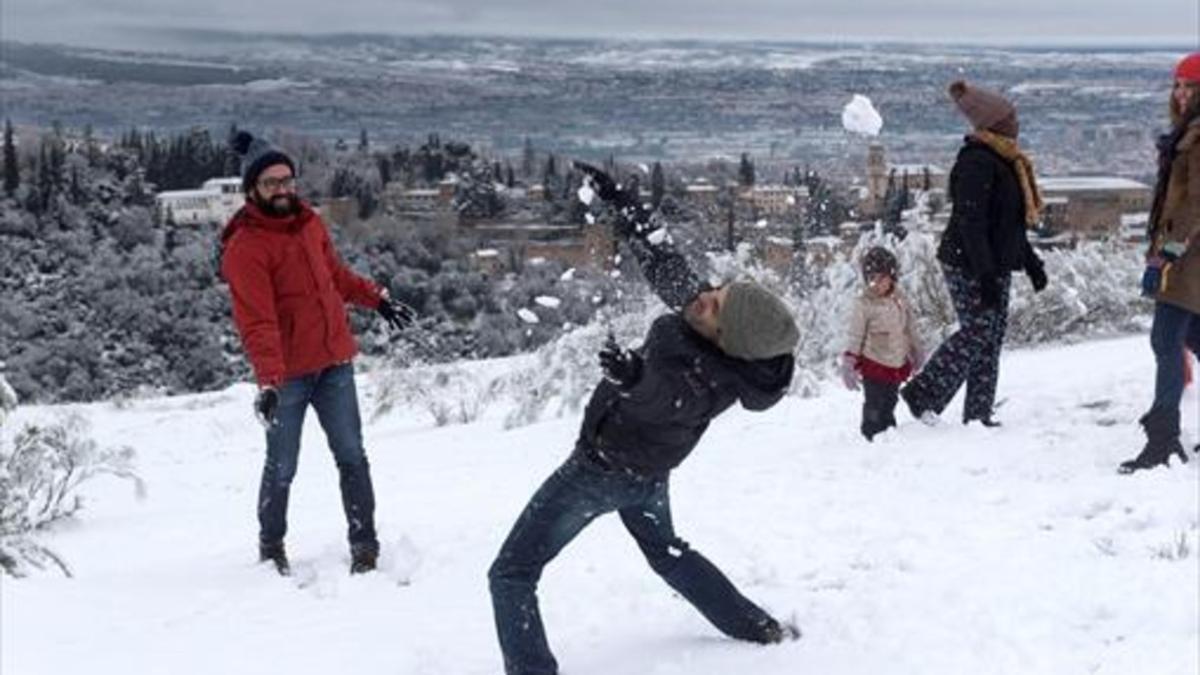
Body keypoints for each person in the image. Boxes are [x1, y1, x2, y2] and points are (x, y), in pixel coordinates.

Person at [487, 162, 801, 675]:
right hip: (647, 478)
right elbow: (665, 263)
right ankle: (756, 626)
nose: (703, 297)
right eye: (716, 291)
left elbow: (667, 398)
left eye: (714, 306)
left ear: (728, 340)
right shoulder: (707, 328)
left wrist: (634, 377)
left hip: (600, 473)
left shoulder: (705, 381)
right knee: (668, 553)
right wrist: (623, 203)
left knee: (511, 573)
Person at [219, 131, 415, 575]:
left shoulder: (310, 224)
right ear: (253, 190)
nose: (283, 189)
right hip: (288, 375)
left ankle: (365, 546)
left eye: (287, 180)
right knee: (282, 465)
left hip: (334, 363)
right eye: (272, 183)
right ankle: (271, 546)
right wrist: (269, 381)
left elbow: (336, 278)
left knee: (352, 456)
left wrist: (378, 299)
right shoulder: (245, 247)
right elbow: (258, 321)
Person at [900, 80, 1048, 427]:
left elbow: (1007, 224)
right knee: (979, 330)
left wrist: (1031, 263)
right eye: (1010, 118)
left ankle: (978, 414)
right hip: (968, 263)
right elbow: (971, 223)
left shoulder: (1006, 159)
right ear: (995, 123)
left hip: (993, 264)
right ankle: (923, 392)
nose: (1016, 124)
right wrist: (984, 275)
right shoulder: (977, 162)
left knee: (990, 338)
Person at [1119, 52, 1200, 473]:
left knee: (1166, 340)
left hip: (1186, 259)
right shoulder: (1186, 133)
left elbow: (1196, 203)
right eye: (1178, 85)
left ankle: (1163, 440)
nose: (1182, 94)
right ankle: (1165, 434)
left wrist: (1165, 255)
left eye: (1191, 87)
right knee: (1192, 339)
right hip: (1187, 256)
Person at [840, 246, 924, 440]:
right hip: (874, 362)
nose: (876, 284)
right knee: (874, 402)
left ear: (892, 277)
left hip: (896, 362)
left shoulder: (900, 299)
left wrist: (916, 349)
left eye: (881, 278)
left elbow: (909, 326)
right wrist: (850, 361)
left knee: (890, 399)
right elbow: (856, 335)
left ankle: (889, 430)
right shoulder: (864, 304)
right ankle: (871, 432)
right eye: (872, 279)